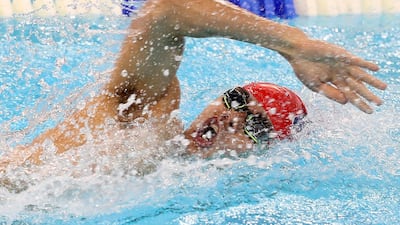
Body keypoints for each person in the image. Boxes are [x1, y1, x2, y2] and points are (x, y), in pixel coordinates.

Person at [0, 0, 387, 176]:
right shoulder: (147, 114)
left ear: (264, 153)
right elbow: (165, 12)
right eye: (236, 100)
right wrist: (293, 43)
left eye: (255, 126)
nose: (231, 118)